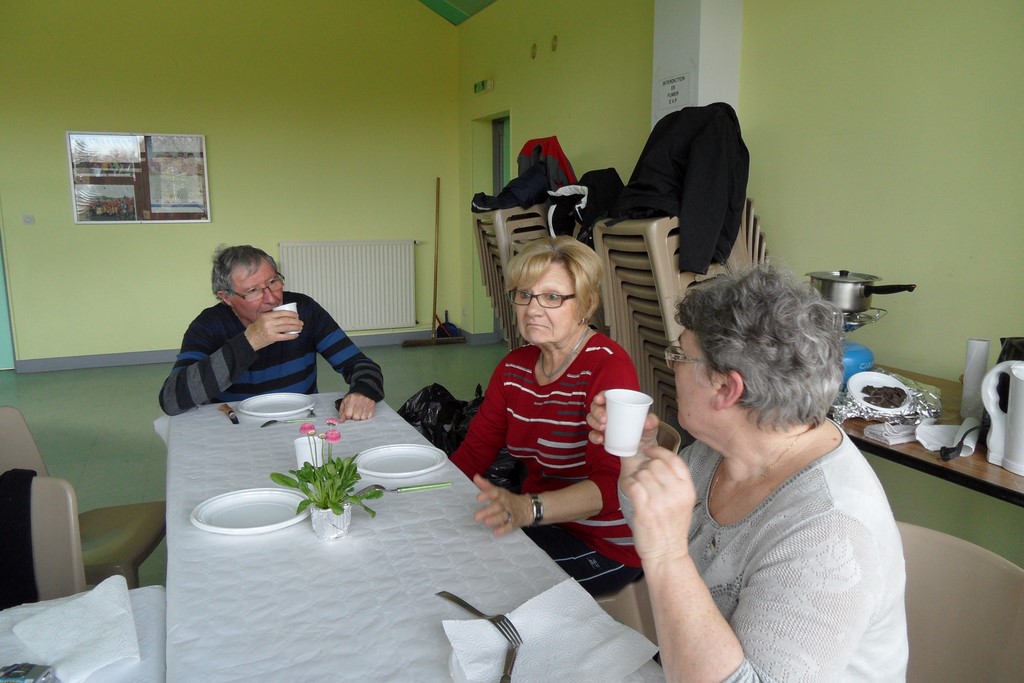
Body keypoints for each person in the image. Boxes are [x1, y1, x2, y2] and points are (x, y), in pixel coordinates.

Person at [588, 267, 907, 681]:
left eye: (679, 355)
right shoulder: (724, 450)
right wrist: (637, 457)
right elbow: (650, 522)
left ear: (726, 389)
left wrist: (668, 555)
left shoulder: (830, 531)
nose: (672, 365)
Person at [451, 236, 642, 596]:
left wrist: (528, 509)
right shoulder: (513, 369)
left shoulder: (607, 367)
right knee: (453, 550)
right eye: (524, 294)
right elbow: (473, 454)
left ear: (586, 304)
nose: (532, 309)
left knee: (477, 581)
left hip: (603, 543)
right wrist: (432, 500)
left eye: (552, 297)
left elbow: (612, 488)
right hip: (541, 524)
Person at [159, 245, 383, 421]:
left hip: (300, 420)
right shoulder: (209, 326)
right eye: (253, 291)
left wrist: (363, 392)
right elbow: (171, 399)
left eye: (273, 281)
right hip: (235, 425)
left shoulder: (305, 310)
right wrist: (250, 341)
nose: (272, 298)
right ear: (226, 297)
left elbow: (361, 365)